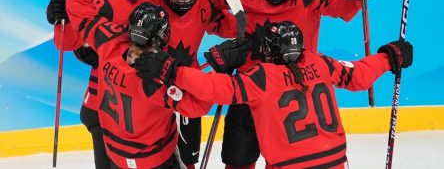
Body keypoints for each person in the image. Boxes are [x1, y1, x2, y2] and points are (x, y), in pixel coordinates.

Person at [136, 21, 414, 169]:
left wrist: (172, 70)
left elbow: (216, 89)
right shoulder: (318, 62)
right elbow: (358, 77)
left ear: (268, 51)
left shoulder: (261, 76)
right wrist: (389, 57)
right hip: (335, 163)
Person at [208, 0, 378, 169]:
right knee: (237, 161)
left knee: (283, 162)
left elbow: (339, 8)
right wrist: (227, 27)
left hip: (294, 93)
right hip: (248, 90)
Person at [46, 0, 155, 169]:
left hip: (134, 105)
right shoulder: (102, 0)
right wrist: (62, 19)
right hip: (106, 105)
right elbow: (67, 43)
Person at [67, 0, 213, 168]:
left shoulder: (108, 48)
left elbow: (78, 11)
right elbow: (199, 106)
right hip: (154, 160)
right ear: (162, 36)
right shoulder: (157, 80)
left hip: (116, 157)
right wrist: (217, 72)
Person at [146, 0, 238, 169]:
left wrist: (244, 37)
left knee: (188, 159)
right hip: (152, 86)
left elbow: (228, 26)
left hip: (190, 85)